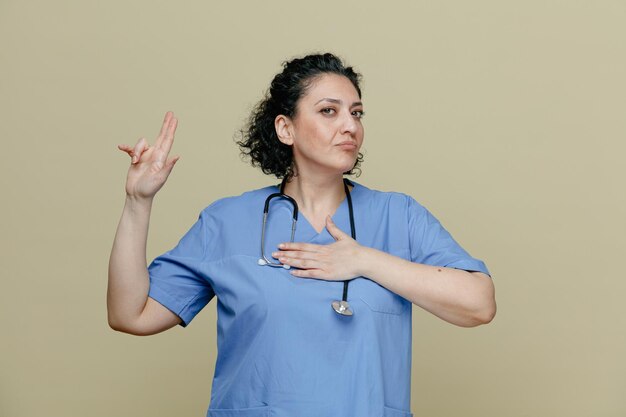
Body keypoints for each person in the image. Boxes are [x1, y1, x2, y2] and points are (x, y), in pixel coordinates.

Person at [108, 53, 496, 417]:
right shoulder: (226, 221)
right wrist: (137, 202)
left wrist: (365, 260)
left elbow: (479, 303)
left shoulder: (399, 216)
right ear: (285, 128)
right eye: (329, 111)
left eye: (356, 113)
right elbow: (131, 315)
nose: (350, 126)